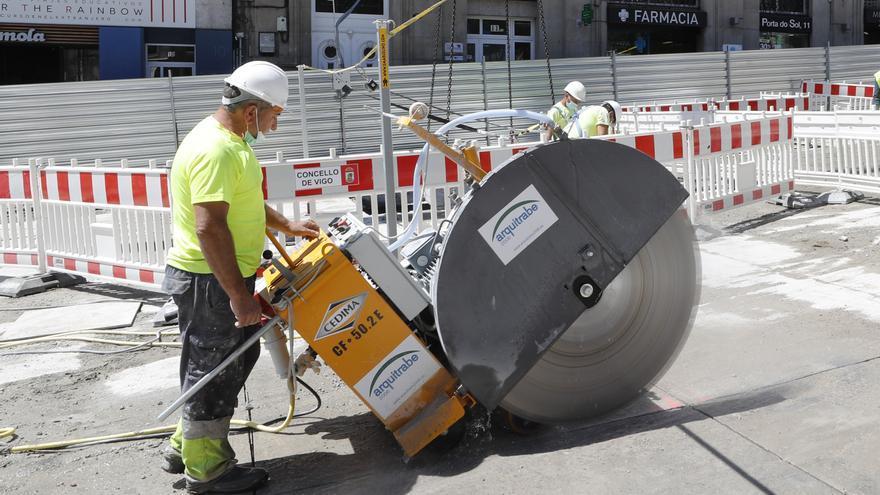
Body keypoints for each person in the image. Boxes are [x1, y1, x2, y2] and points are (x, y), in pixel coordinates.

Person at [159, 60, 319, 494]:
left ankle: (184, 446)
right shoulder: (218, 150)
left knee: (228, 364)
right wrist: (238, 295)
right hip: (210, 281)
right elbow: (210, 226)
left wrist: (287, 225)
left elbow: (243, 203)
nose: (275, 124)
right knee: (213, 370)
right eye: (274, 115)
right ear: (251, 111)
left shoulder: (230, 142)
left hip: (219, 279)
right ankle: (207, 470)